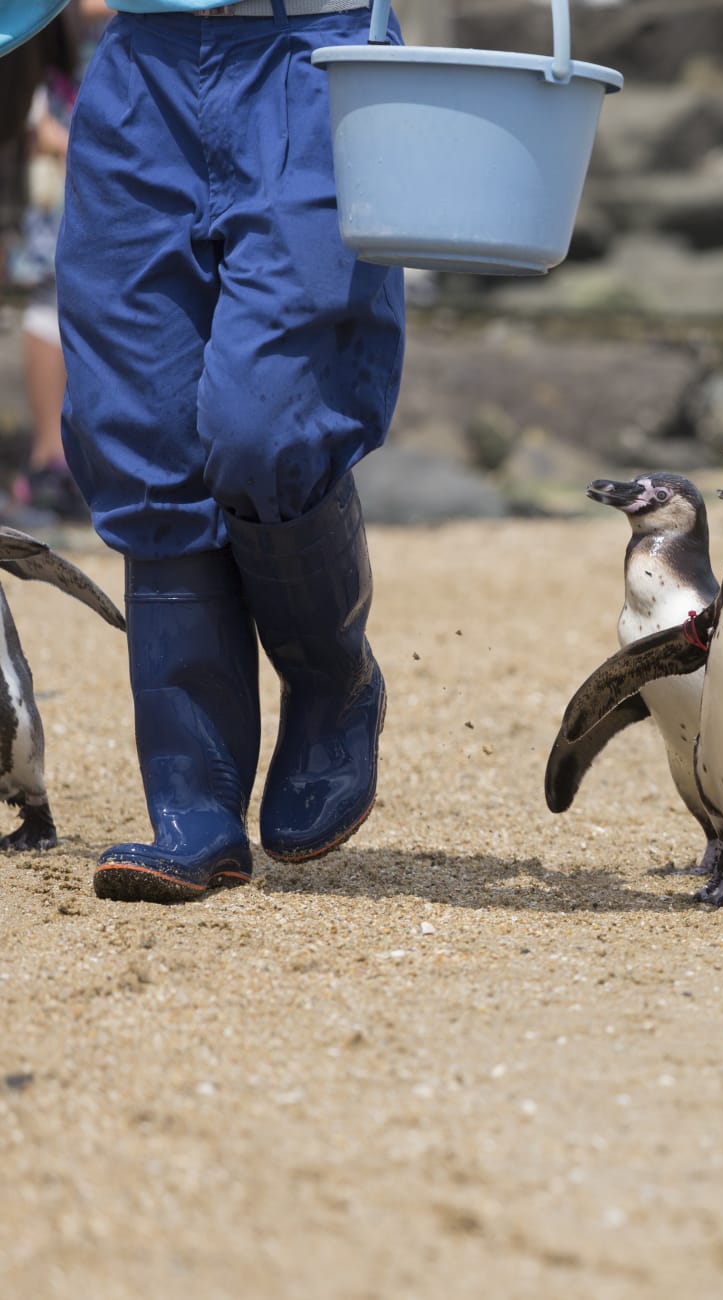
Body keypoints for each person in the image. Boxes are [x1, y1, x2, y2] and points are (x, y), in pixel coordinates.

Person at [57, 0, 405, 902]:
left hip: (315, 53)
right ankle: (194, 807)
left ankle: (333, 682)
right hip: (141, 62)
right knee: (133, 428)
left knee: (270, 419)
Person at [5, 1, 102, 524]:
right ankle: (47, 461)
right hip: (64, 161)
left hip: (104, 150)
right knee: (50, 297)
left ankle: (76, 462)